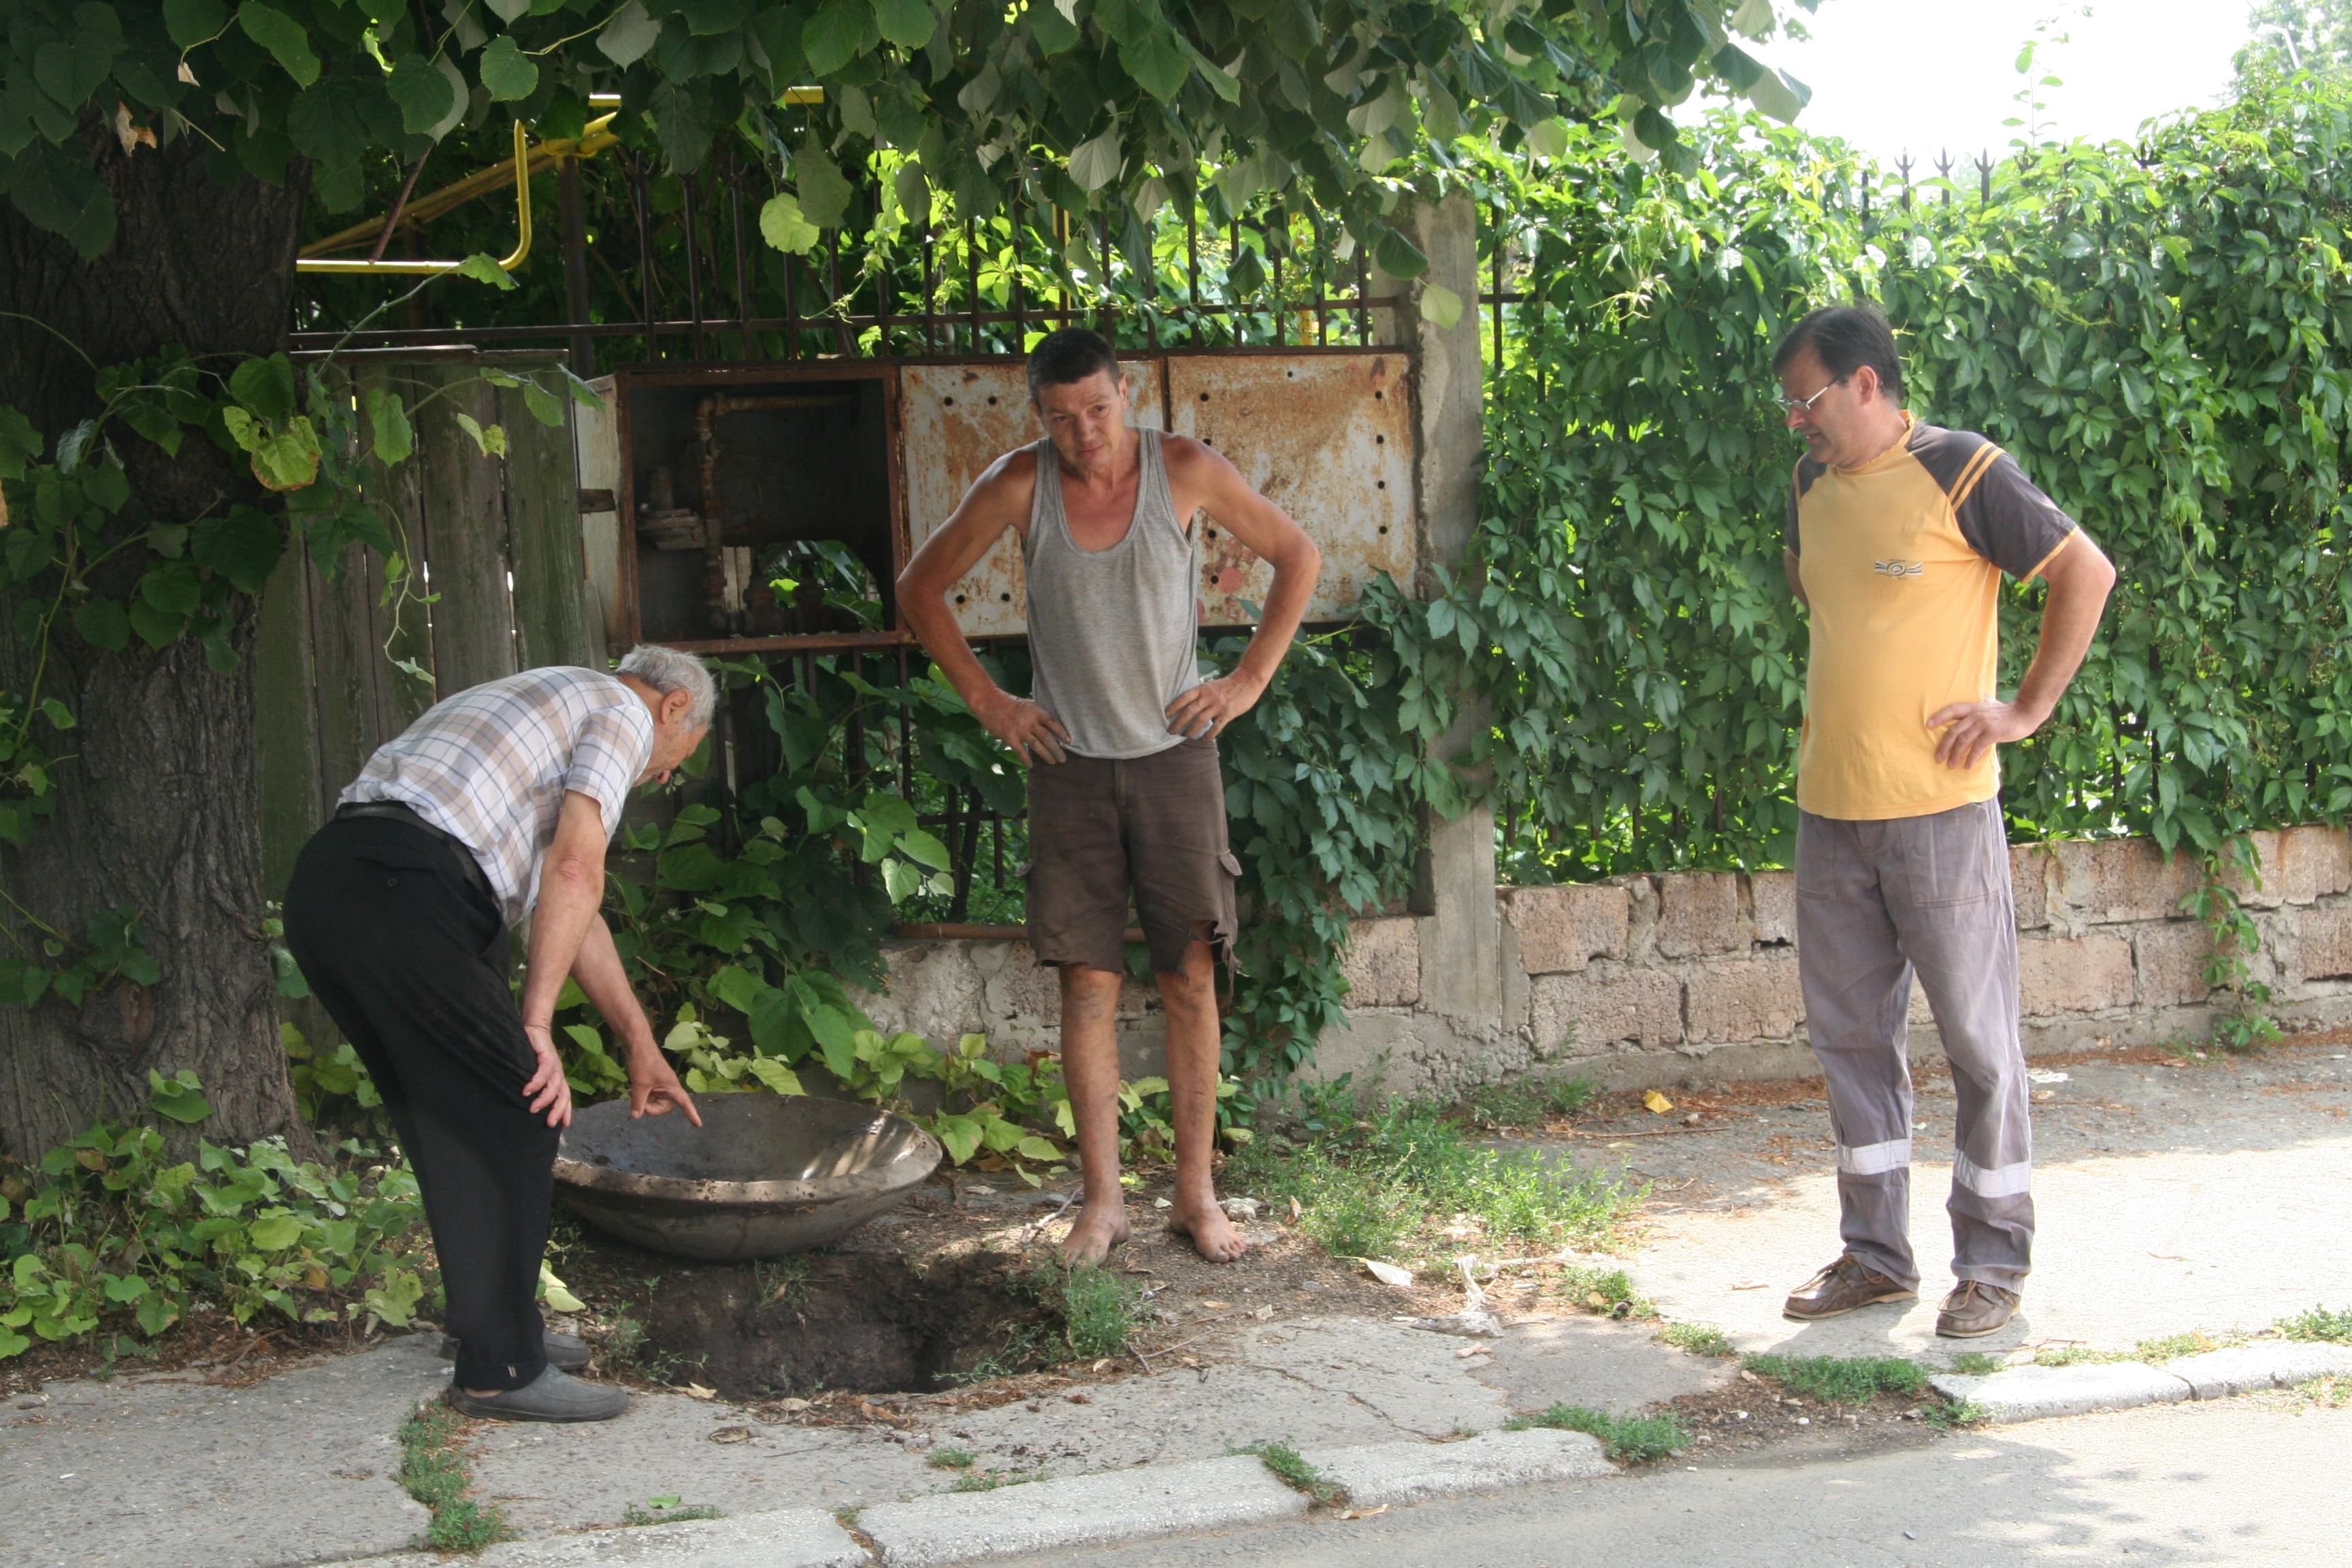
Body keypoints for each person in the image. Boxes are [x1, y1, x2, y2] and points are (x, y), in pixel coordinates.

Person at [898, 328, 1322, 1267]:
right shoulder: (1019, 483)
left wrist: (1246, 682)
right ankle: (1102, 1204)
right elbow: (920, 587)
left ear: (1124, 393)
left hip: (1176, 758)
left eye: (1096, 410)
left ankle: (1196, 1197)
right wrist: (992, 703)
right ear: (1039, 417)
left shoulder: (1187, 469)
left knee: (1189, 974)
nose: (1083, 433)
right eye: (1061, 418)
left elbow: (1298, 556)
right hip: (1070, 766)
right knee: (1087, 983)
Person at [1774, 303, 2117, 1339]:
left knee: (1979, 1045)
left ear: (1866, 383)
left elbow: (2083, 571)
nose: (1797, 422)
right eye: (1789, 405)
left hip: (1940, 818)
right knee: (1850, 1045)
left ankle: (1994, 1267)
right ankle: (1875, 1257)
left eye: (1808, 399)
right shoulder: (1809, 488)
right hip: (1831, 812)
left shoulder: (1963, 469)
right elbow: (1824, 597)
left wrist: (2023, 711)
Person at [284, 647, 710, 1420]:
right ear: (674, 707)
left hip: (336, 887)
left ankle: (491, 1328)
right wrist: (536, 1026)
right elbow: (580, 872)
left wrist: (640, 1043)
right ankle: (501, 1370)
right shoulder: (620, 711)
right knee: (522, 1104)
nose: (663, 778)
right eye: (677, 761)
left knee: (450, 1116)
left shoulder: (542, 699)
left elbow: (574, 907)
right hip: (407, 889)